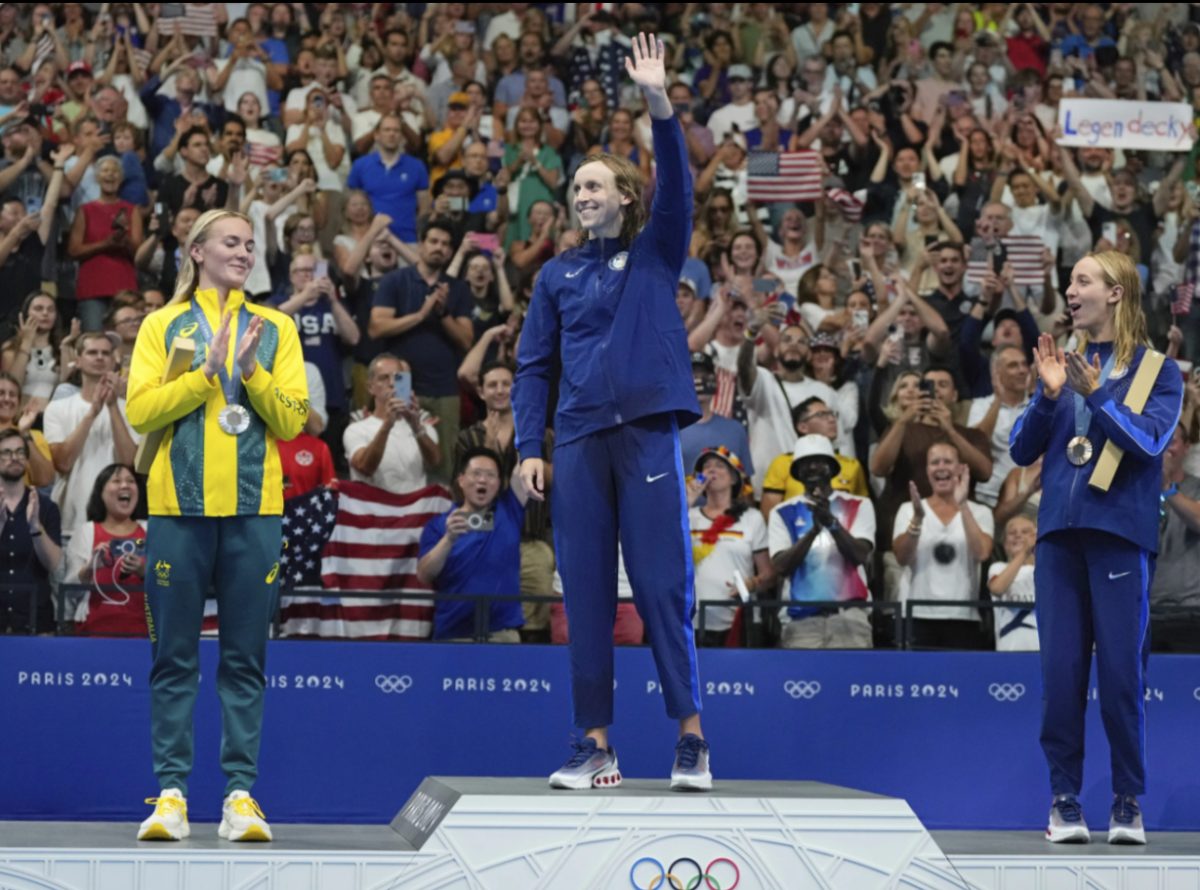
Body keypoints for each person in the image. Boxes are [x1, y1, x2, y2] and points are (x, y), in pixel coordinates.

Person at [515, 34, 710, 791]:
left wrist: (659, 104)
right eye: (577, 191)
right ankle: (594, 745)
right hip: (580, 444)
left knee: (662, 587)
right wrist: (530, 444)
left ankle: (691, 738)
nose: (583, 197)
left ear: (625, 197)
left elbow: (680, 193)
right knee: (586, 593)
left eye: (596, 187)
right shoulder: (557, 276)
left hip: (646, 435)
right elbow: (533, 366)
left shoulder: (657, 252)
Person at [126, 209, 309, 843]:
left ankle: (239, 797)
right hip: (176, 509)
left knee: (245, 661)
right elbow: (141, 410)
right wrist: (205, 373)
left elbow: (291, 421)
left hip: (256, 512)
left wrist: (251, 371)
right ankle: (171, 796)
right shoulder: (162, 325)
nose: (244, 252)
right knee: (172, 659)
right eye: (231, 242)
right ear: (197, 250)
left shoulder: (276, 326)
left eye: (250, 244)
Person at [1011, 250, 1183, 846]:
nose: (1070, 288)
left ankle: (1127, 801)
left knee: (1120, 679)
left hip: (1120, 541)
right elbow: (1019, 450)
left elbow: (1150, 441)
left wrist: (1099, 397)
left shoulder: (1158, 371)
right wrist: (1051, 397)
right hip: (1058, 539)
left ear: (1115, 293)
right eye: (1071, 280)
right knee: (1060, 678)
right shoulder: (1062, 361)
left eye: (1082, 280)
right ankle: (1063, 800)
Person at [768, 434, 875, 650]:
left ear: (832, 467)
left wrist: (832, 524)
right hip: (801, 621)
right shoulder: (781, 512)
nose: (813, 467)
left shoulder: (859, 504)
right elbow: (781, 566)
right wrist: (813, 532)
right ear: (796, 471)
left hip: (849, 618)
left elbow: (860, 555)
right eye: (805, 463)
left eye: (819, 461)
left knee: (852, 682)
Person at [417, 446, 532, 641]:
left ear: (498, 483)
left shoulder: (509, 511)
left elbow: (525, 465)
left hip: (502, 635)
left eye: (490, 475)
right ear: (461, 480)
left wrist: (521, 424)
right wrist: (449, 539)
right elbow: (424, 575)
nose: (482, 480)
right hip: (453, 637)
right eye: (476, 473)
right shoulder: (438, 525)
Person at [891, 440, 994, 649]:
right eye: (934, 462)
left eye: (947, 461)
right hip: (915, 614)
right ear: (927, 470)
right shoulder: (908, 510)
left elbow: (982, 552)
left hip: (963, 616)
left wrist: (963, 504)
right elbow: (902, 558)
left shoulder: (981, 512)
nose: (941, 467)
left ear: (960, 469)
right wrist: (918, 519)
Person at [43, 332, 139, 538]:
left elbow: (129, 462)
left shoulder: (129, 409)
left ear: (114, 361)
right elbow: (62, 463)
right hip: (70, 523)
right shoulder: (57, 408)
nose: (99, 357)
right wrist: (92, 413)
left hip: (119, 524)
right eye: (92, 352)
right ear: (77, 361)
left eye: (105, 353)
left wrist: (112, 407)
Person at [688, 447, 772, 647]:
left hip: (737, 621)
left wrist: (751, 584)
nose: (711, 470)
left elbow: (769, 574)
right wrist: (687, 502)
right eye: (706, 467)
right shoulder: (687, 516)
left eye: (719, 466)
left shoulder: (752, 518)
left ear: (735, 478)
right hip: (692, 621)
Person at [63, 463, 147, 636]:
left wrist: (144, 571)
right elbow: (68, 593)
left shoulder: (151, 531)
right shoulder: (86, 532)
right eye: (116, 481)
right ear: (100, 493)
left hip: (145, 634)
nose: (125, 485)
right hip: (93, 633)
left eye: (131, 481)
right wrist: (89, 569)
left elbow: (168, 578)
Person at [344, 353, 441, 494]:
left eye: (398, 378)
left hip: (414, 511)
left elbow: (435, 463)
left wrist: (416, 427)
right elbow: (365, 467)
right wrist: (387, 425)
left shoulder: (422, 428)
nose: (391, 383)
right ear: (370, 387)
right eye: (384, 378)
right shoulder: (356, 430)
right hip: (375, 512)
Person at [0, 427, 62, 634]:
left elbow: (53, 564)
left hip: (36, 622)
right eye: (6, 453)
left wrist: (36, 527)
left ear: (27, 460)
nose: (14, 458)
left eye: (20, 452)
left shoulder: (46, 507)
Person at [988, 514, 1038, 652]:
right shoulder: (998, 568)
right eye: (1012, 533)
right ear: (1005, 543)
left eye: (1025, 532)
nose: (1018, 535)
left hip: (1042, 650)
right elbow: (997, 588)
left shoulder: (1046, 571)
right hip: (1008, 650)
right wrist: (1024, 553)